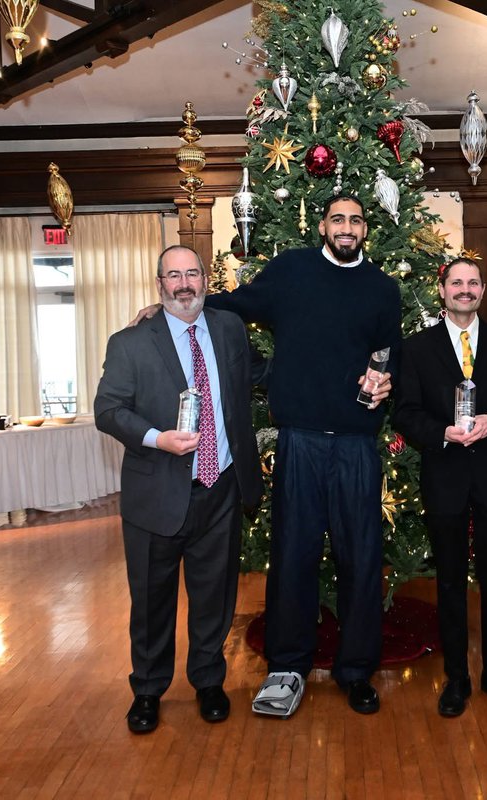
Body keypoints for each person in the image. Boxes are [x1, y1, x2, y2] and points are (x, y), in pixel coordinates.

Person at [135, 195, 400, 716]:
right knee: (293, 558)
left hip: (356, 445)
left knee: (362, 562)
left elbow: (389, 353)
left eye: (356, 220)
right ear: (323, 225)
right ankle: (287, 667)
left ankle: (356, 670)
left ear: (365, 230)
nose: (347, 228)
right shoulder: (292, 270)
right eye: (338, 218)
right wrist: (170, 307)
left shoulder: (382, 289)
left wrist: (385, 380)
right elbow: (236, 303)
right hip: (299, 440)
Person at [95, 245, 261, 734]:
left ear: (206, 279)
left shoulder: (229, 329)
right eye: (174, 275)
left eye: (192, 273)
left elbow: (254, 381)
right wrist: (156, 438)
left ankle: (209, 681)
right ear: (159, 283)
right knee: (152, 599)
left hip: (221, 487)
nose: (184, 283)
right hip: (157, 495)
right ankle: (147, 689)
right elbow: (108, 410)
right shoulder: (129, 343)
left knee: (215, 595)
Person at [392, 258, 487, 717]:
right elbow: (405, 412)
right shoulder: (416, 349)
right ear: (442, 290)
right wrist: (443, 432)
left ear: (483, 289)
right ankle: (457, 679)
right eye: (457, 282)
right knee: (450, 581)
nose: (465, 289)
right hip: (445, 474)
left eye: (473, 282)